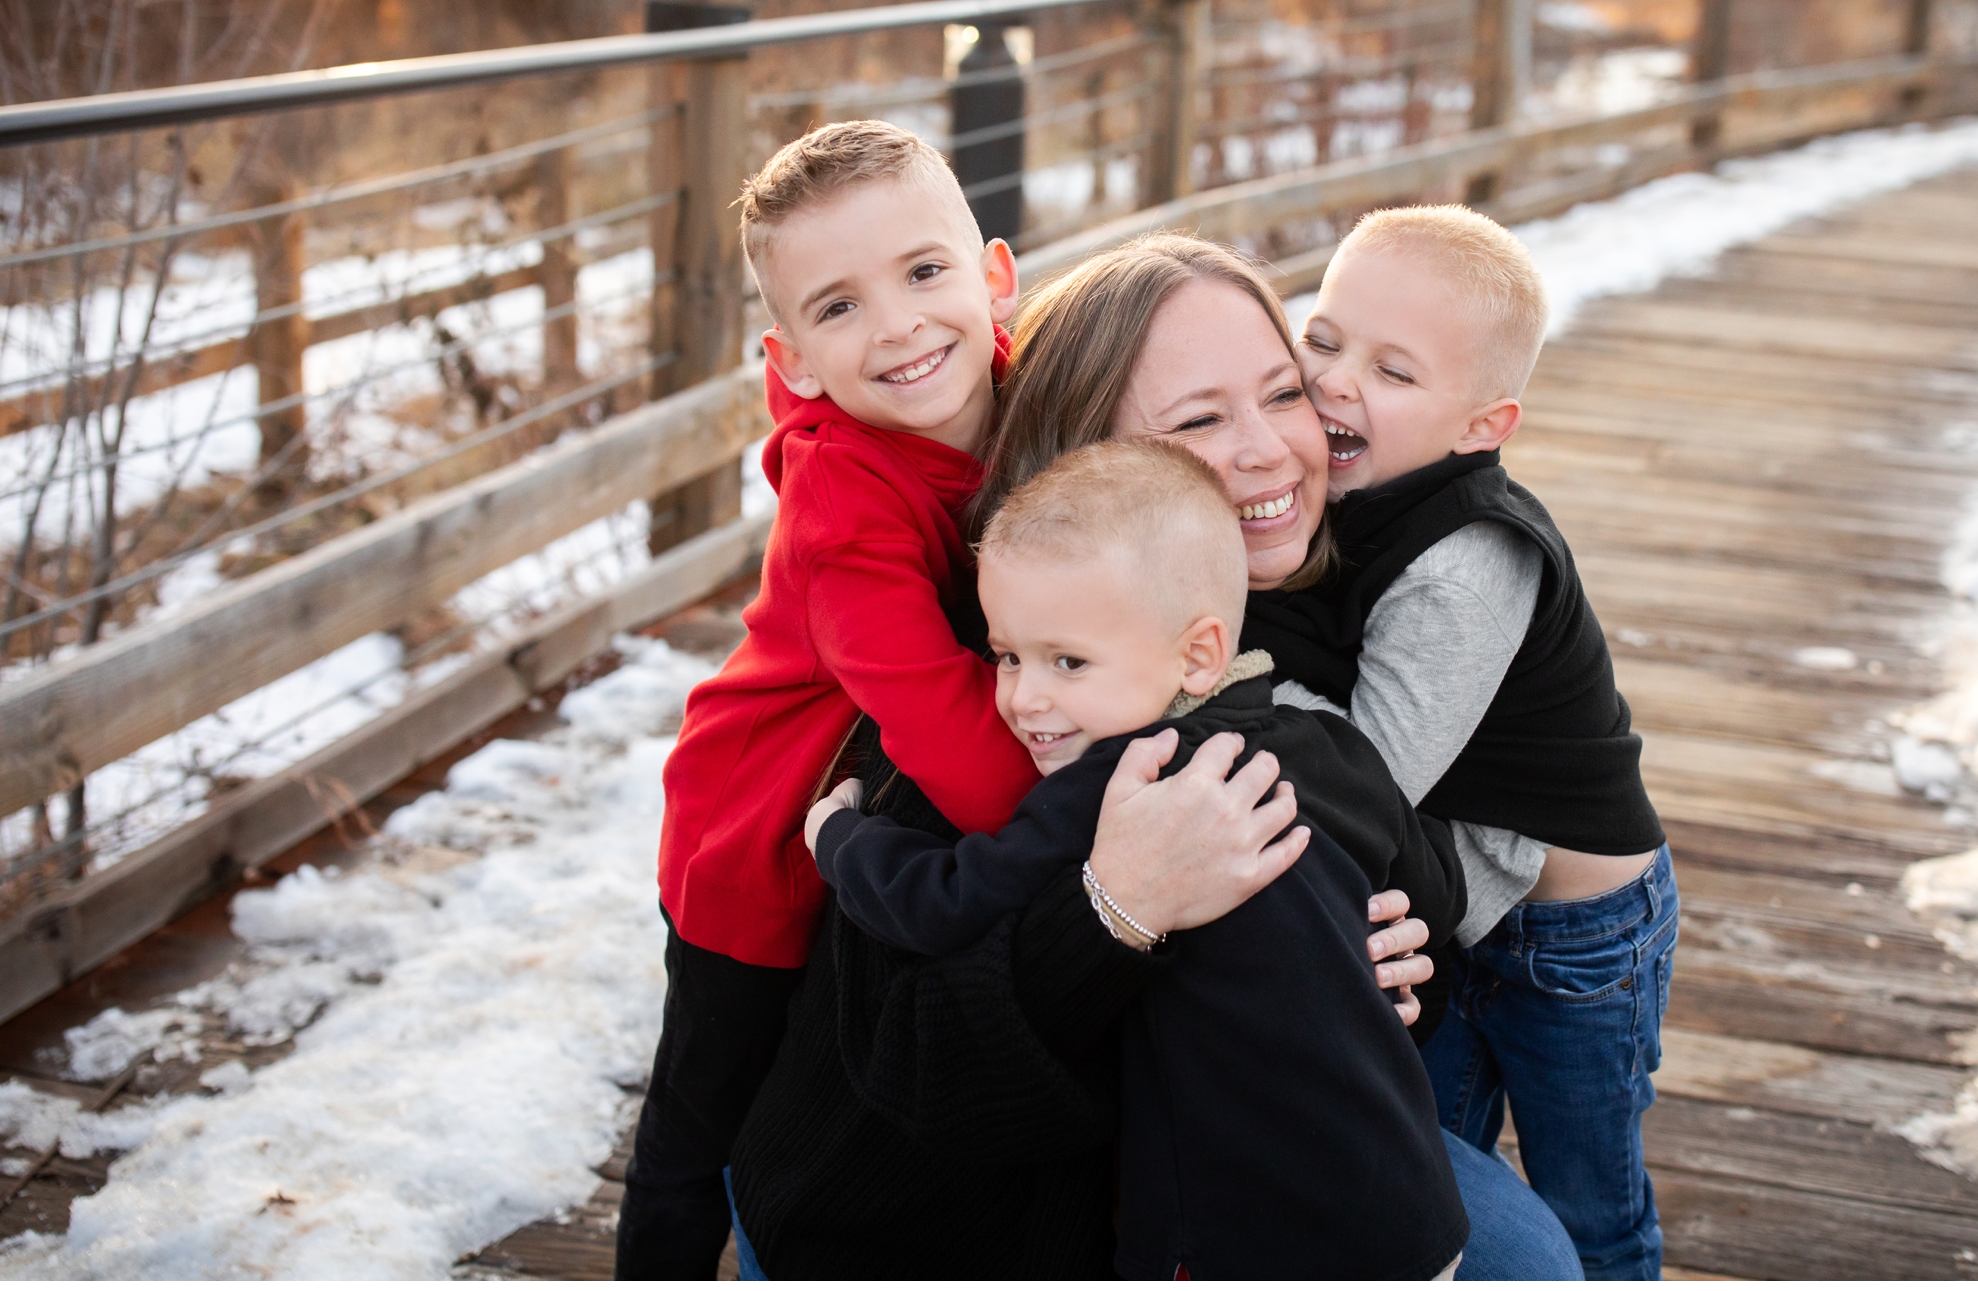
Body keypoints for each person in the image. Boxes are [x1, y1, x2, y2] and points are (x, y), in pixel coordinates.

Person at [727, 231, 1581, 1280]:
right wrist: (1115, 908)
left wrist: (1368, 969)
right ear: (1087, 458)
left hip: (1194, 1157)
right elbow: (934, 1074)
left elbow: (1387, 906)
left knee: (1522, 1259)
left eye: (1281, 393)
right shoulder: (997, 685)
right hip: (932, 1211)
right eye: (1199, 421)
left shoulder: (1294, 620)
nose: (1271, 449)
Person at [807, 438, 1468, 1279]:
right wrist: (1393, 933)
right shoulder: (1326, 744)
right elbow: (1435, 884)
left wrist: (841, 837)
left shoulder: (1130, 776)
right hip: (1410, 1212)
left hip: (1246, 1239)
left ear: (1198, 653)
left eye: (1067, 661)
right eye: (1008, 656)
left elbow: (951, 902)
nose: (1023, 697)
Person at [616, 120, 1045, 1277]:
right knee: (700, 1119)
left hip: (860, 823)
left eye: (922, 272)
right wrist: (1101, 830)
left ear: (993, 276)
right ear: (794, 355)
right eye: (839, 306)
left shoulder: (1032, 399)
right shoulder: (844, 503)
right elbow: (950, 737)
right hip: (757, 839)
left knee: (826, 1079)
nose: (899, 325)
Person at [1241, 204, 1675, 1280]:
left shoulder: (1471, 557)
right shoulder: (1343, 491)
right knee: (1427, 1165)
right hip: (1453, 902)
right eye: (1326, 339)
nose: (1337, 383)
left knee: (1589, 1196)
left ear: (1484, 424)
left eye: (1394, 372)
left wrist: (1237, 675)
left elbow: (1371, 773)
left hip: (1577, 939)